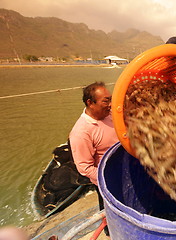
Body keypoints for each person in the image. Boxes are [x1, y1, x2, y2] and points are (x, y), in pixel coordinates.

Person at [69, 81, 118, 236]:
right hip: (107, 180)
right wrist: (106, 179)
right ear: (90, 103)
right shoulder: (81, 132)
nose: (110, 104)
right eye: (106, 101)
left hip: (125, 167)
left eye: (110, 99)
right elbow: (84, 167)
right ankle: (111, 232)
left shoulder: (109, 114)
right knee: (111, 213)